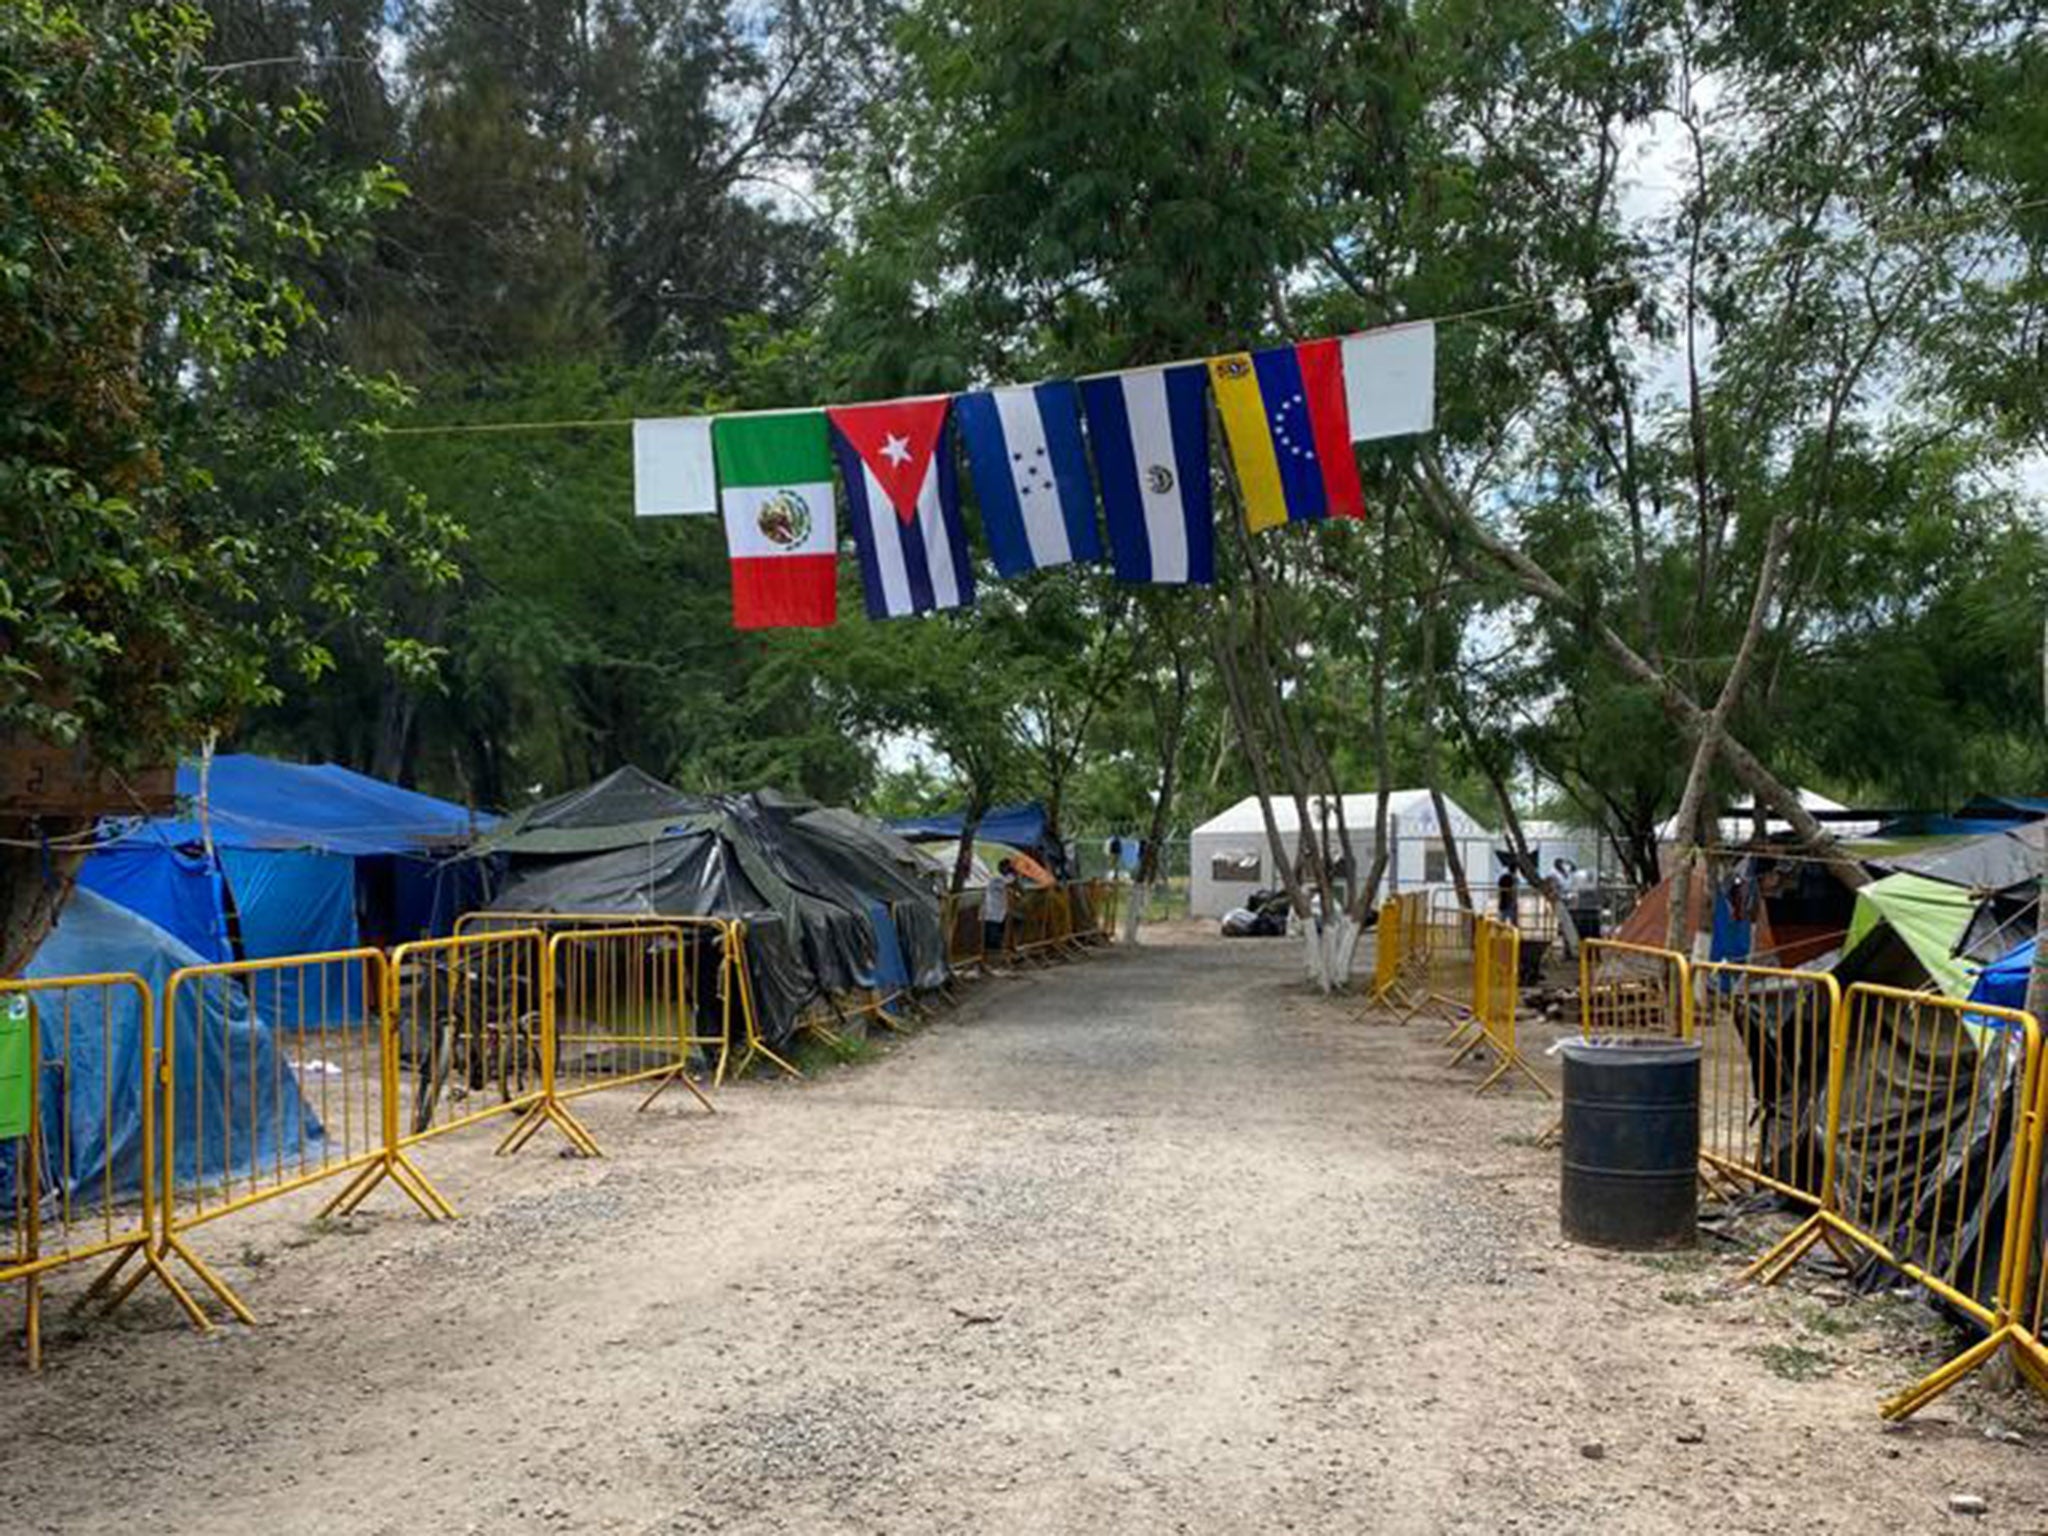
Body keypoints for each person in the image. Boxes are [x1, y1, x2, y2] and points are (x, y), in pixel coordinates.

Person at [983, 858, 1017, 958]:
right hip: (992, 912)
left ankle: (1005, 952)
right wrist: (1014, 874)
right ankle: (992, 957)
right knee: (992, 938)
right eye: (1008, 867)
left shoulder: (1005, 880)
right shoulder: (996, 879)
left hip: (1000, 912)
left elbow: (1017, 890)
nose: (1009, 870)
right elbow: (1009, 882)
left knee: (1001, 933)